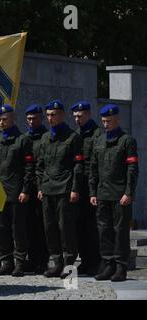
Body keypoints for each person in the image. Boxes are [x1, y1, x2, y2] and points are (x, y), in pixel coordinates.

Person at [90, 104, 138, 282]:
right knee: (104, 231)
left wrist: (129, 192)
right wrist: (92, 191)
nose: (105, 124)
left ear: (117, 120)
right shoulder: (99, 141)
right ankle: (108, 265)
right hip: (102, 194)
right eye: (103, 121)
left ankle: (120, 267)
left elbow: (132, 169)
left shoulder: (127, 140)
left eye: (109, 121)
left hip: (120, 195)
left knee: (120, 232)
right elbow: (93, 169)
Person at [37, 100, 83, 278]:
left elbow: (78, 166)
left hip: (65, 188)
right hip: (48, 189)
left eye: (53, 114)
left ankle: (69, 265)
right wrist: (41, 186)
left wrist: (75, 188)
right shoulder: (45, 138)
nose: (50, 118)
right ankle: (56, 263)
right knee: (50, 228)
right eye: (48, 115)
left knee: (66, 228)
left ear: (62, 115)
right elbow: (40, 165)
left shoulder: (72, 137)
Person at [0, 105, 34, 277]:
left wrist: (25, 190)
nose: (1, 122)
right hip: (0, 192)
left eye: (5, 119)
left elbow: (29, 168)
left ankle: (20, 262)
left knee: (18, 229)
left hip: (17, 192)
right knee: (2, 229)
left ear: (13, 118)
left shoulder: (22, 140)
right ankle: (6, 261)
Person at [71, 100, 104, 276]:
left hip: (93, 186)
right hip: (79, 185)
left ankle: (96, 261)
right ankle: (85, 260)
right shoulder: (76, 134)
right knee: (80, 226)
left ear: (89, 114)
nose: (78, 118)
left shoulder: (97, 134)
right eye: (75, 116)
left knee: (92, 227)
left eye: (80, 115)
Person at [24, 104, 50, 274]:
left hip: (43, 187)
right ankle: (32, 259)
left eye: (34, 118)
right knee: (29, 226)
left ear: (41, 118)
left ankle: (43, 260)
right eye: (29, 119)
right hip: (28, 187)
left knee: (43, 226)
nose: (32, 122)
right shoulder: (25, 138)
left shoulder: (46, 137)